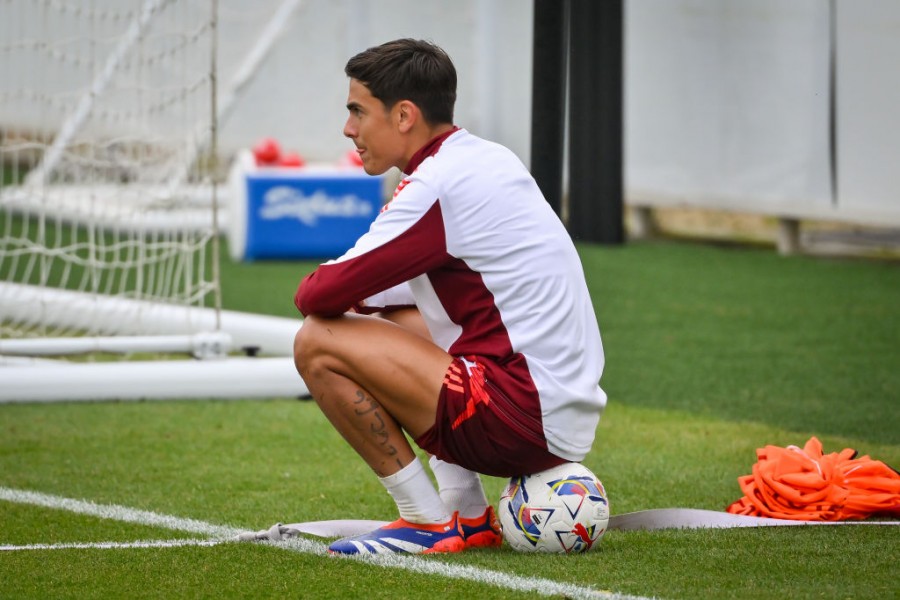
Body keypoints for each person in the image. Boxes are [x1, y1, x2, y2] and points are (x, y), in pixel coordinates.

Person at [293, 38, 606, 555]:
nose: (349, 129)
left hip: (520, 416)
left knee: (318, 338)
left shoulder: (437, 183)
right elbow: (390, 290)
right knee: (394, 312)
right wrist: (368, 301)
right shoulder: (483, 158)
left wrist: (354, 302)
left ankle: (426, 520)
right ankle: (467, 513)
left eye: (357, 111)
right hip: (556, 410)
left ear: (404, 116)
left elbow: (318, 292)